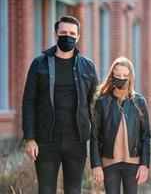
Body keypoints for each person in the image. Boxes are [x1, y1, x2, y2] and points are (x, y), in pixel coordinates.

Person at [22, 16, 98, 194]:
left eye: (72, 33)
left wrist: (99, 140)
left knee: (73, 190)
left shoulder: (88, 67)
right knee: (46, 190)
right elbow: (29, 101)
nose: (67, 36)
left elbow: (94, 106)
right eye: (63, 33)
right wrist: (30, 138)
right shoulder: (39, 64)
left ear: (78, 37)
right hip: (46, 139)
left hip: (76, 140)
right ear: (55, 34)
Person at [90, 57, 151, 194]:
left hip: (133, 163)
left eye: (125, 75)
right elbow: (94, 135)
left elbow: (146, 137)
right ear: (112, 75)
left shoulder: (139, 102)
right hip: (109, 162)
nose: (121, 78)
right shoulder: (102, 101)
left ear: (131, 77)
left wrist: (144, 164)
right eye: (117, 75)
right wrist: (96, 164)